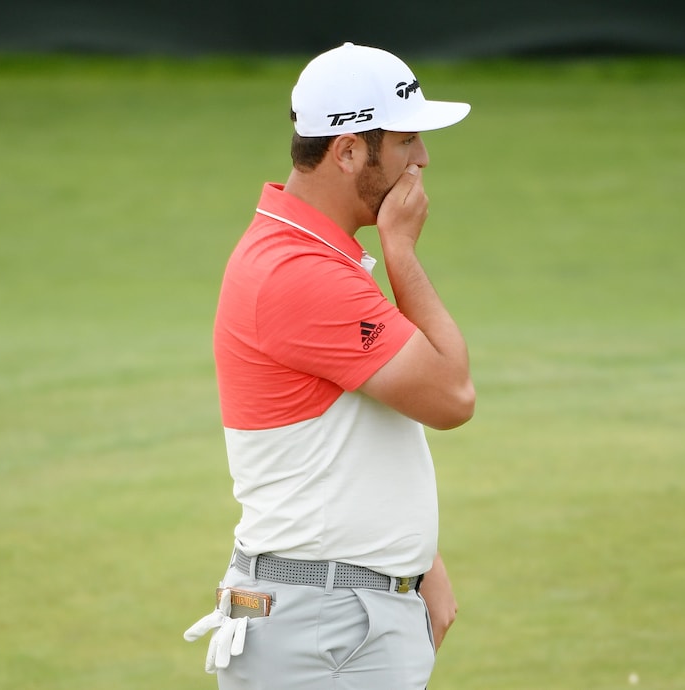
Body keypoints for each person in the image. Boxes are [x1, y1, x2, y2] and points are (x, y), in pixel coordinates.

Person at [184, 42, 476, 689]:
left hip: (336, 608)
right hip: (322, 623)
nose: (422, 159)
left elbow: (347, 440)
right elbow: (452, 395)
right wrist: (401, 250)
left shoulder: (309, 256)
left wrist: (416, 558)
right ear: (347, 151)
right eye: (405, 142)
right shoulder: (299, 273)